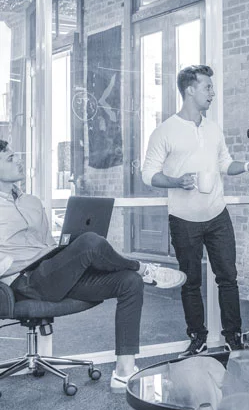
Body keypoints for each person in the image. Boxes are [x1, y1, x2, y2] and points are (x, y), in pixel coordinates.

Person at [0, 139, 186, 393]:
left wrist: (66, 255)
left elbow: (48, 244)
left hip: (51, 270)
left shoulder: (32, 202)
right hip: (24, 282)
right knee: (89, 243)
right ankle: (143, 269)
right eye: (11, 158)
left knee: (127, 282)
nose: (19, 160)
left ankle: (123, 370)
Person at [141, 64, 249, 357]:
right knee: (191, 280)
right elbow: (148, 174)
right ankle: (197, 337)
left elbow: (225, 164)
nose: (212, 93)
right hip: (183, 219)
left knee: (228, 277)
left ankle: (233, 337)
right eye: (207, 87)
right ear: (190, 89)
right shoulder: (165, 131)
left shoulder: (213, 129)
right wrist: (177, 181)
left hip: (217, 215)